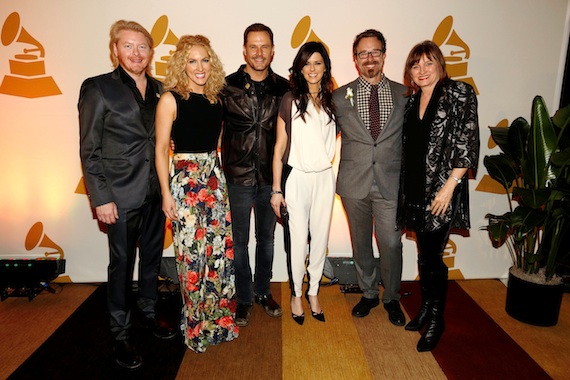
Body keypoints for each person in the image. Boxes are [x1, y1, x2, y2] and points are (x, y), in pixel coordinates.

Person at [78, 20, 174, 370]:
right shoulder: (98, 88)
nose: (136, 53)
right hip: (118, 196)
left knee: (151, 260)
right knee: (122, 267)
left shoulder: (163, 89)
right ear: (115, 50)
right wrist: (100, 197)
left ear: (151, 52)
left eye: (143, 47)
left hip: (154, 192)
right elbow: (89, 150)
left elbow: (161, 141)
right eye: (128, 46)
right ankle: (120, 334)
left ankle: (148, 316)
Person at [155, 35, 239, 353]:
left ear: (212, 63)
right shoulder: (170, 100)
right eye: (192, 60)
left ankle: (217, 320)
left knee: (217, 257)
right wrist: (166, 193)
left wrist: (214, 175)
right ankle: (195, 328)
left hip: (214, 182)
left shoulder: (218, 99)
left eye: (205, 60)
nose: (199, 67)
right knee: (192, 259)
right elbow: (161, 148)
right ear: (181, 64)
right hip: (185, 184)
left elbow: (215, 142)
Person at [399, 40, 479, 351]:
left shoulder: (460, 93)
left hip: (443, 189)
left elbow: (467, 142)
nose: (422, 70)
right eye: (415, 65)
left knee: (434, 256)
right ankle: (427, 308)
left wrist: (449, 186)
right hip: (417, 187)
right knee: (424, 255)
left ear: (440, 65)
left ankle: (437, 319)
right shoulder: (411, 101)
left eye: (428, 63)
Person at [332, 29, 408, 326]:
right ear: (355, 59)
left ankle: (391, 297)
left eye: (375, 52)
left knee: (391, 243)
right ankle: (368, 293)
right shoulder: (339, 96)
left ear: (385, 55)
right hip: (354, 182)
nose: (369, 58)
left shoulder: (405, 94)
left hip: (391, 183)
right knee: (360, 243)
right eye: (363, 53)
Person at [221, 23, 289, 326]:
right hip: (236, 176)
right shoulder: (226, 86)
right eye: (253, 46)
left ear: (273, 50)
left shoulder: (285, 88)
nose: (259, 52)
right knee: (239, 242)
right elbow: (208, 124)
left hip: (270, 179)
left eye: (265, 46)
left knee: (267, 240)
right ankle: (244, 298)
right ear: (244, 49)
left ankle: (263, 292)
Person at [271, 41, 337, 325]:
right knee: (298, 242)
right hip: (296, 178)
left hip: (325, 178)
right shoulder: (289, 99)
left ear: (325, 67)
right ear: (300, 67)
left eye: (318, 62)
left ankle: (314, 292)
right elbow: (278, 148)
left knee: (320, 240)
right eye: (307, 62)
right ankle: (296, 293)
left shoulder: (334, 100)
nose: (312, 68)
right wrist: (276, 189)